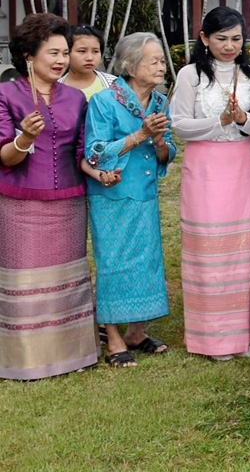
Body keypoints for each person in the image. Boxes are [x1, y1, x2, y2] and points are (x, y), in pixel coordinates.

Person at [0, 15, 102, 380]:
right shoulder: (5, 94)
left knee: (67, 279)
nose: (61, 60)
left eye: (64, 53)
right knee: (26, 281)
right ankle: (25, 360)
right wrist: (24, 138)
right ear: (29, 55)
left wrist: (98, 169)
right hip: (21, 203)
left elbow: (80, 151)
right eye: (53, 53)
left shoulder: (76, 98)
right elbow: (4, 157)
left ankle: (74, 353)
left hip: (70, 203)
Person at [170, 7, 250, 361]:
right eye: (222, 38)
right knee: (209, 252)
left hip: (242, 164)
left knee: (241, 249)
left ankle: (242, 333)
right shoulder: (190, 75)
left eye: (236, 38)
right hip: (206, 165)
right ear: (205, 39)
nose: (230, 46)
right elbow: (179, 125)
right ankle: (211, 338)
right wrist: (219, 120)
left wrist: (243, 119)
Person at [84, 32, 177, 368]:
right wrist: (139, 135)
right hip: (112, 193)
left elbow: (167, 149)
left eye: (161, 61)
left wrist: (158, 141)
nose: (161, 66)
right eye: (154, 61)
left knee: (146, 261)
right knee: (114, 263)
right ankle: (113, 338)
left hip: (145, 193)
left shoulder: (160, 102)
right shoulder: (103, 102)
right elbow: (94, 153)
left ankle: (137, 332)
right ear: (130, 65)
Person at [59, 25, 116, 99]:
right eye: (82, 51)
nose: (89, 58)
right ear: (67, 52)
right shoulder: (54, 89)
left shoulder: (113, 84)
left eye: (95, 51)